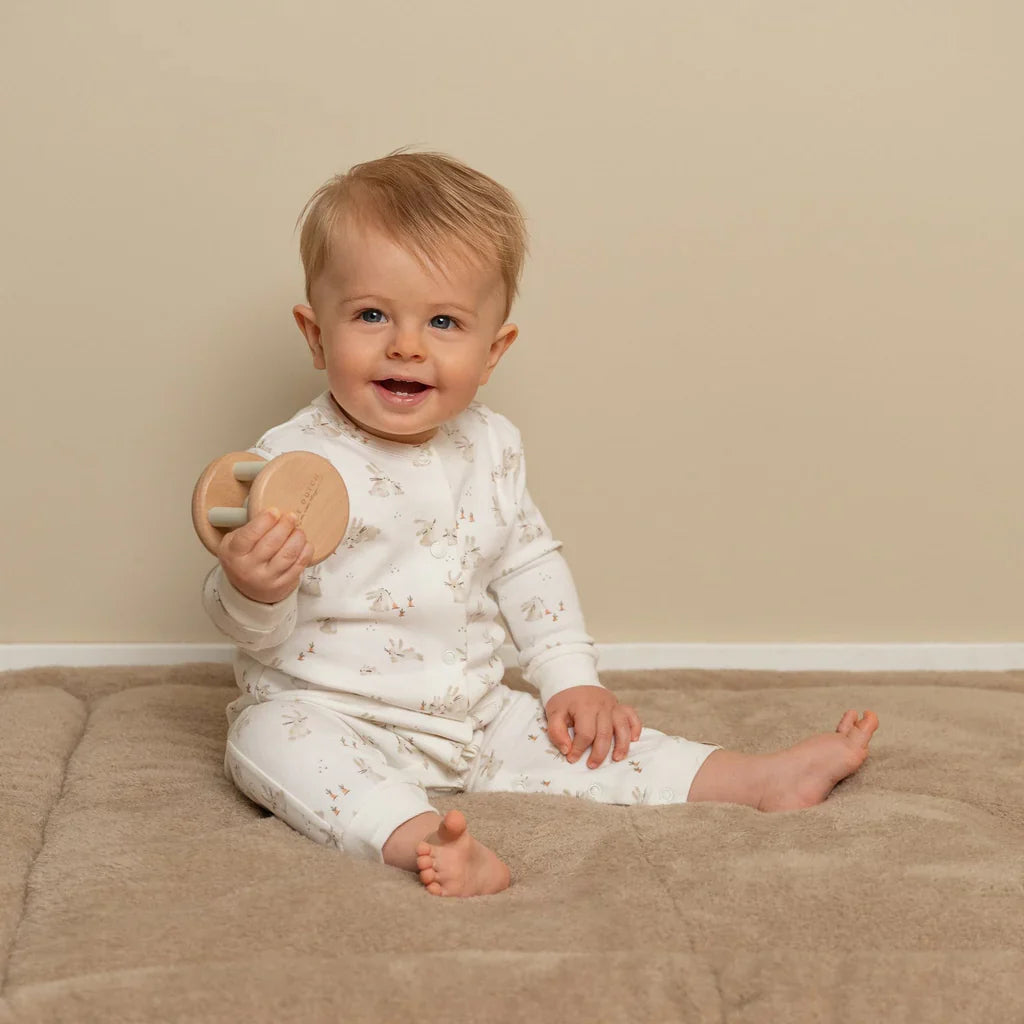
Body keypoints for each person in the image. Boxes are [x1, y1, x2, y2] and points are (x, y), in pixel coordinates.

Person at [202, 150, 879, 898]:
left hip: (475, 713)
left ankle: (752, 778)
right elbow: (255, 633)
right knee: (270, 745)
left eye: (444, 322)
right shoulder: (291, 465)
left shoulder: (492, 447)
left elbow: (528, 566)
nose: (406, 345)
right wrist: (250, 587)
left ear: (493, 352)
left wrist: (570, 681)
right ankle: (423, 838)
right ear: (315, 333)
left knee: (586, 744)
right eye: (370, 314)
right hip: (332, 711)